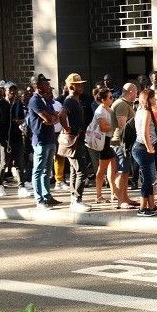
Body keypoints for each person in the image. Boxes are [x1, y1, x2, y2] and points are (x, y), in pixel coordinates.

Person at [58, 74, 93, 212]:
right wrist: (67, 128)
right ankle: (77, 200)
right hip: (74, 140)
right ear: (71, 86)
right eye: (78, 84)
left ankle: (74, 200)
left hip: (77, 139)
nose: (81, 86)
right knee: (82, 171)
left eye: (81, 84)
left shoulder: (74, 100)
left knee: (74, 170)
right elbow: (61, 115)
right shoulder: (70, 100)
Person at [26, 75, 60, 209]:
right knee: (38, 170)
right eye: (45, 84)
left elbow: (54, 118)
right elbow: (49, 118)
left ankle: (47, 196)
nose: (48, 86)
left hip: (50, 138)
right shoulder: (34, 101)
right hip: (40, 140)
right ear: (38, 85)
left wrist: (51, 119)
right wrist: (51, 118)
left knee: (47, 170)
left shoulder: (46, 99)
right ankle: (39, 199)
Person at [132, 87, 157, 217]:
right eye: (153, 97)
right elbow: (145, 133)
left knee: (150, 178)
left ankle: (152, 205)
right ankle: (142, 207)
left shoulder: (140, 111)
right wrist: (150, 147)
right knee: (148, 178)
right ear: (147, 99)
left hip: (142, 147)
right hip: (143, 148)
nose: (155, 99)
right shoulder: (146, 112)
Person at [109, 83, 139, 210]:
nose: (136, 96)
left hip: (124, 143)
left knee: (126, 172)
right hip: (120, 143)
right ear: (131, 92)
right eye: (136, 93)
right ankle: (120, 200)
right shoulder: (121, 104)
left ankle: (125, 197)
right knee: (122, 171)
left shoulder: (125, 104)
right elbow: (122, 125)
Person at [89, 86, 118, 205]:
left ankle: (113, 192)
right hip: (104, 141)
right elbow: (103, 127)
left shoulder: (108, 109)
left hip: (108, 140)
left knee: (112, 167)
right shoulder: (100, 111)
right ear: (103, 99)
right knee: (102, 170)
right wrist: (116, 126)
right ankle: (99, 195)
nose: (112, 99)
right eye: (110, 97)